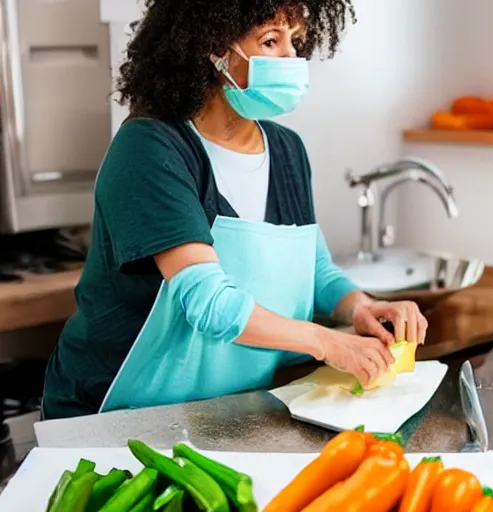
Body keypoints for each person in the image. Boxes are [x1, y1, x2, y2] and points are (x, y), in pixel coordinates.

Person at [43, 0, 428, 419]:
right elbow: (209, 302)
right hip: (120, 412)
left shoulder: (286, 150)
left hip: (227, 409)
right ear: (214, 48)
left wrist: (361, 308)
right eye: (270, 40)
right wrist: (329, 343)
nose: (291, 59)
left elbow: (314, 270)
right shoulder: (152, 149)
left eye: (294, 42)